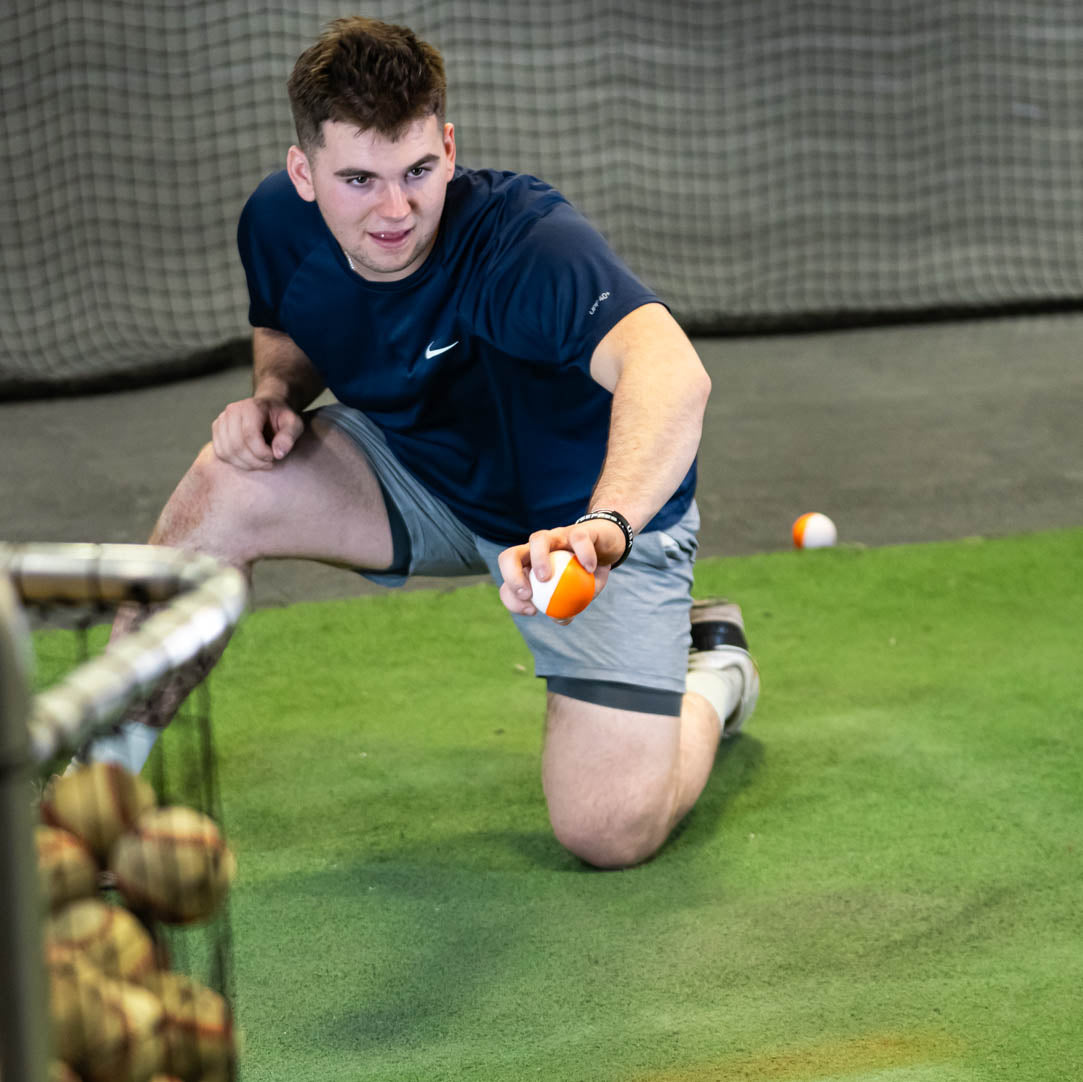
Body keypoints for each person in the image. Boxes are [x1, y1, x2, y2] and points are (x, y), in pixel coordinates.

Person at [86, 16, 760, 869]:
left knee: (607, 829)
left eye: (417, 171)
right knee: (228, 482)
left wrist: (607, 526)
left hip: (578, 531)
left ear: (448, 145)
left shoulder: (526, 247)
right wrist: (273, 396)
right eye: (359, 179)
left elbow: (672, 375)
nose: (395, 209)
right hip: (420, 476)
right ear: (304, 173)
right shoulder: (276, 223)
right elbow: (288, 325)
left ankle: (712, 672)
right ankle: (95, 791)